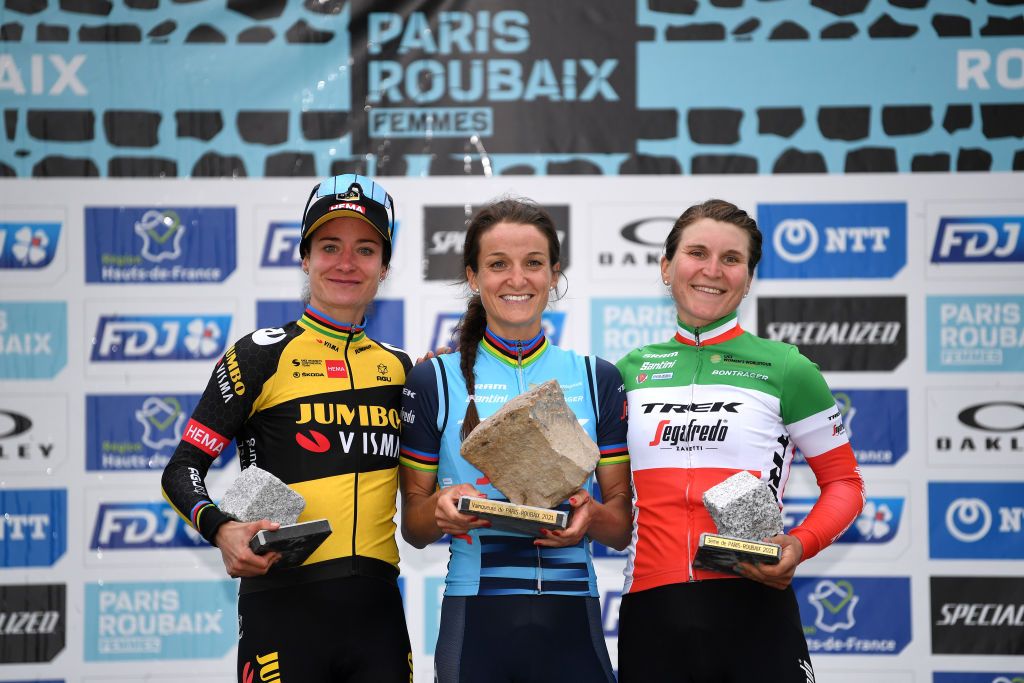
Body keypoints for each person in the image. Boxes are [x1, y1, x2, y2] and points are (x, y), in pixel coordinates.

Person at [161, 174, 413, 682]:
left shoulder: (404, 370)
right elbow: (182, 469)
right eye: (329, 247)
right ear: (305, 258)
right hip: (283, 607)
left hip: (378, 614)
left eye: (365, 249)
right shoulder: (259, 354)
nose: (346, 263)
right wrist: (220, 527)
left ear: (384, 268)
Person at [615, 199, 865, 683]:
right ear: (667, 267)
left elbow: (846, 483)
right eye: (697, 253)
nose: (712, 270)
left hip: (754, 601)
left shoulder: (787, 367)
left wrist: (799, 544)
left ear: (749, 278)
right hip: (652, 607)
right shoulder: (628, 372)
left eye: (731, 259)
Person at [399, 198, 631, 683]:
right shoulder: (434, 380)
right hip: (477, 615)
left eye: (533, 264)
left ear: (554, 274)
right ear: (473, 275)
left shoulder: (596, 378)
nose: (517, 279)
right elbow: (415, 529)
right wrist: (442, 505)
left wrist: (590, 516)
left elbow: (619, 528)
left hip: (573, 617)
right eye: (498, 265)